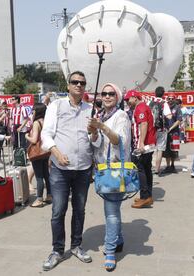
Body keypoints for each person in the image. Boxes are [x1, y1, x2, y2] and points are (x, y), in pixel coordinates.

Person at [41, 71, 94, 271]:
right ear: (68, 85)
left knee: (79, 209)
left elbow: (94, 139)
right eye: (75, 82)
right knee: (58, 210)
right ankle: (57, 250)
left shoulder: (90, 108)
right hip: (60, 168)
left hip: (83, 168)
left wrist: (96, 132)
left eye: (82, 82)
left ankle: (76, 246)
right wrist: (56, 151)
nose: (79, 85)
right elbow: (46, 133)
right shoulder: (56, 106)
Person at [88, 83, 131, 271]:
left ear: (118, 97)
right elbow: (97, 144)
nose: (106, 96)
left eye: (111, 94)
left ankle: (111, 250)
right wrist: (94, 131)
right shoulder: (102, 116)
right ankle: (118, 239)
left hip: (115, 170)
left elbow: (118, 141)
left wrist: (102, 127)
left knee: (111, 212)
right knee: (113, 209)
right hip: (103, 169)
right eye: (104, 94)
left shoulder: (121, 116)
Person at [124, 90, 156, 209]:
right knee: (147, 169)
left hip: (144, 144)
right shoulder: (143, 107)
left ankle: (144, 197)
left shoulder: (140, 108)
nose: (127, 102)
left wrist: (141, 143)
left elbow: (143, 124)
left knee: (140, 169)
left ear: (134, 98)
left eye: (128, 100)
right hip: (149, 143)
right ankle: (148, 195)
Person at [25, 103, 52, 208]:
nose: (32, 112)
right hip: (45, 151)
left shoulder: (37, 122)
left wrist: (27, 136)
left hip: (37, 153)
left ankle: (39, 199)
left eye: (33, 110)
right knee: (46, 174)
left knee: (39, 176)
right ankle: (49, 195)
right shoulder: (46, 121)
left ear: (37, 111)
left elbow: (34, 139)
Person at [148, 86, 171, 176]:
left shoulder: (150, 102)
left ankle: (149, 167)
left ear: (155, 93)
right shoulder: (164, 103)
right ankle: (157, 169)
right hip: (161, 129)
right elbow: (169, 116)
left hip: (151, 129)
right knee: (160, 150)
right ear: (163, 93)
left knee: (150, 149)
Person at [162, 93, 182, 174]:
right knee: (166, 150)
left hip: (174, 132)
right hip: (165, 132)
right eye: (169, 99)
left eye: (171, 98)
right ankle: (167, 166)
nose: (170, 100)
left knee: (174, 150)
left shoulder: (177, 108)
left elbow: (178, 120)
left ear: (174, 99)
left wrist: (171, 128)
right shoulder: (165, 108)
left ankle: (173, 165)